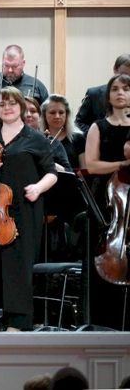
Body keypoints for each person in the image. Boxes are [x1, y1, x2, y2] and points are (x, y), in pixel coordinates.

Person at [0, 86, 57, 331]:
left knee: (18, 266)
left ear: (21, 107)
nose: (7, 108)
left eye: (12, 103)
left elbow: (52, 173)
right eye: (2, 104)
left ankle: (17, 322)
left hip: (24, 210)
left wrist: (38, 188)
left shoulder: (35, 138)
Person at [84, 73, 130, 331]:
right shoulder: (98, 126)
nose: (120, 93)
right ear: (108, 96)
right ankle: (104, 323)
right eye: (115, 89)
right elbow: (91, 165)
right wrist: (122, 164)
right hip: (107, 198)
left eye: (126, 88)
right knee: (104, 253)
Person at [0, 45, 49, 130]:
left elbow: (46, 116)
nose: (10, 70)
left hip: (28, 135)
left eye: (14, 66)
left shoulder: (36, 86)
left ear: (23, 63)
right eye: (6, 66)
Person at [75, 53, 130, 134]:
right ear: (115, 69)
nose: (127, 80)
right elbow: (79, 123)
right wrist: (96, 135)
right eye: (124, 74)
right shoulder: (94, 94)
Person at [24, 96, 71, 172]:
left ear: (39, 116)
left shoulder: (53, 143)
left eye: (33, 111)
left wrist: (50, 164)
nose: (28, 114)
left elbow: (69, 172)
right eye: (24, 111)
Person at [41, 94, 86, 170]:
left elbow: (84, 171)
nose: (57, 116)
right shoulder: (38, 138)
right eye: (52, 112)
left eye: (61, 112)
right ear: (44, 115)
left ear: (67, 115)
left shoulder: (78, 138)